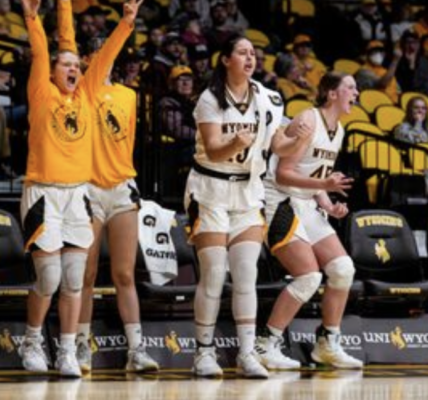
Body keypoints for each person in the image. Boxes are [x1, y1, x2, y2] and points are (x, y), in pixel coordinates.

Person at [18, 0, 141, 377]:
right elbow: (45, 50)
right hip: (43, 194)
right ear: (51, 71)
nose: (73, 68)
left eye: (77, 65)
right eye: (65, 64)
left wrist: (126, 23)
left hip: (77, 196)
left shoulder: (86, 94)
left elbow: (105, 55)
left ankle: (68, 351)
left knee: (73, 278)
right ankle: (31, 341)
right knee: (49, 278)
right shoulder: (42, 92)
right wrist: (32, 18)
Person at [54, 0, 159, 374]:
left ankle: (136, 350)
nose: (106, 59)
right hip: (89, 191)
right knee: (84, 275)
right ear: (87, 60)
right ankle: (81, 346)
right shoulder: (81, 91)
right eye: (98, 54)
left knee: (125, 274)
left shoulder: (129, 96)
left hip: (122, 188)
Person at [184, 33, 290, 378]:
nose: (250, 58)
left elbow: (278, 146)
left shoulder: (269, 98)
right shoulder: (209, 99)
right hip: (210, 190)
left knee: (246, 273)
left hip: (248, 191)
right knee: (214, 274)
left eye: (253, 53)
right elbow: (215, 149)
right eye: (242, 53)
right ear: (226, 59)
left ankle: (246, 354)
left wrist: (296, 140)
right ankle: (203, 353)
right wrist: (235, 143)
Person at [255, 71, 364, 370]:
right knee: (308, 277)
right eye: (351, 87)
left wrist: (328, 204)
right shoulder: (308, 119)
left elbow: (314, 176)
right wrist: (324, 185)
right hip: (278, 199)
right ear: (332, 93)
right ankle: (266, 344)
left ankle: (327, 344)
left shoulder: (338, 131)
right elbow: (283, 174)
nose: (357, 93)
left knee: (343, 269)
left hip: (305, 202)